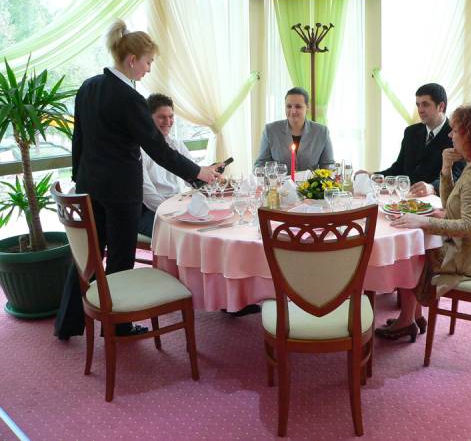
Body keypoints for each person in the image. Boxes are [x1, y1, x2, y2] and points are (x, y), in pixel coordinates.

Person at [54, 20, 220, 340]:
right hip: (121, 193)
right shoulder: (130, 98)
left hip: (90, 186)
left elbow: (79, 139)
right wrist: (197, 172)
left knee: (87, 257)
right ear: (132, 60)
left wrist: (78, 177)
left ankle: (67, 323)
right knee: (120, 258)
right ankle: (118, 326)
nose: (148, 69)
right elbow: (157, 148)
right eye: (148, 62)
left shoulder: (88, 86)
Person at [376, 103, 471, 341]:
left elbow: (467, 226)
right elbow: (452, 205)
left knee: (414, 251)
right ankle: (413, 315)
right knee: (420, 242)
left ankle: (408, 318)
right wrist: (446, 168)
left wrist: (422, 222)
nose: (450, 135)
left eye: (456, 130)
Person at [356, 83, 465, 196]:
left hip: (436, 201)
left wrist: (432, 187)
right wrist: (373, 175)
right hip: (406, 198)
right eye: (418, 105)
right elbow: (398, 168)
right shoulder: (410, 132)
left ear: (441, 106)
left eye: (425, 104)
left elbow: (458, 175)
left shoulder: (456, 135)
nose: (420, 110)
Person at [138, 93, 193, 237]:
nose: (168, 121)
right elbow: (146, 192)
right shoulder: (139, 149)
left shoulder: (176, 144)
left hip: (175, 203)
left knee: (206, 223)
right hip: (148, 211)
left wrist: (209, 175)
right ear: (148, 118)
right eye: (162, 117)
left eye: (171, 116)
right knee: (182, 233)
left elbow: (191, 177)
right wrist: (172, 211)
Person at [254, 87, 334, 172]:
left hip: (311, 181)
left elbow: (328, 166)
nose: (293, 111)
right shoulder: (270, 131)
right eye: (289, 106)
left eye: (298, 106)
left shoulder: (322, 132)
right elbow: (260, 165)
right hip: (279, 181)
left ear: (307, 107)